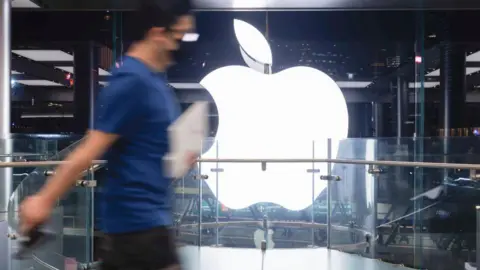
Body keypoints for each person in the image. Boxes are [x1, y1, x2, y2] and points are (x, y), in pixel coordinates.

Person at [19, 0, 195, 269]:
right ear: (157, 33)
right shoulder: (131, 81)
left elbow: (147, 154)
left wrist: (180, 161)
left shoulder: (155, 83)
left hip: (152, 227)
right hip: (135, 231)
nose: (179, 48)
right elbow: (89, 150)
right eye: (178, 37)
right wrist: (43, 199)